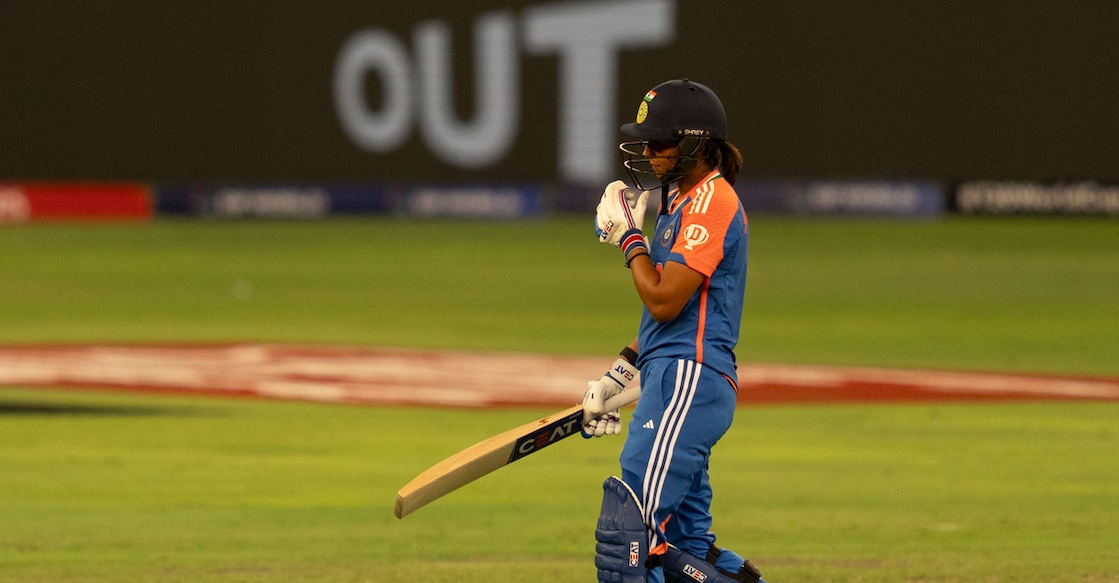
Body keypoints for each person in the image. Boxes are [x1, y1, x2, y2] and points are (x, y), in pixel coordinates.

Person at [584, 79, 765, 583]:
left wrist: (630, 241)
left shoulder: (712, 202)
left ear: (696, 145)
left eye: (660, 141)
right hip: (675, 374)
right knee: (685, 545)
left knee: (631, 537)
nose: (648, 151)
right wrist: (621, 373)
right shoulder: (682, 203)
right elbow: (672, 314)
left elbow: (664, 302)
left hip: (689, 378)